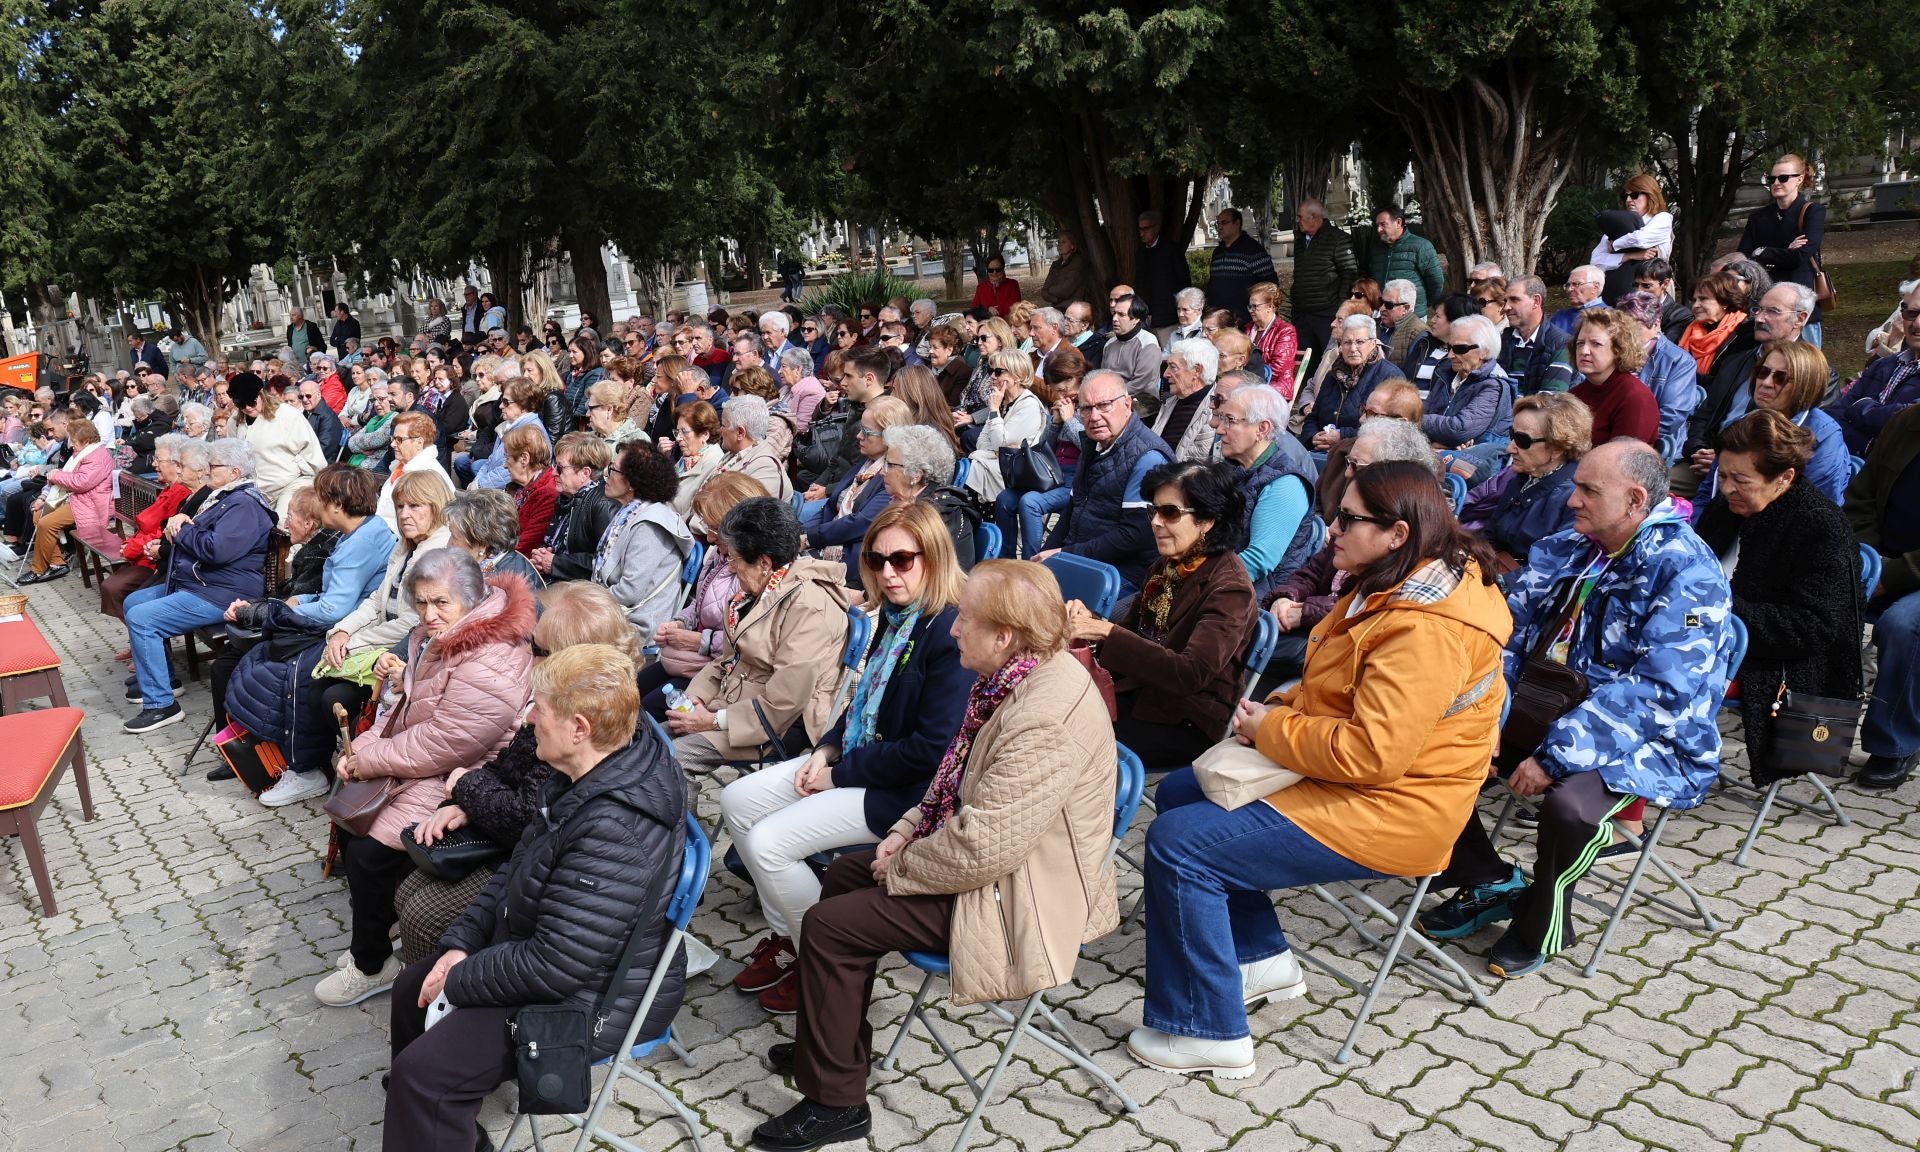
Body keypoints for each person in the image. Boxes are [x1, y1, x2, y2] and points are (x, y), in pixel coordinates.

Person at [1128, 460, 1511, 1078]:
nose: (1331, 528)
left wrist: (1270, 729)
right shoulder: (1392, 581)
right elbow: (1338, 690)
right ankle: (1257, 961)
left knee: (1180, 845)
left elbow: (1372, 754)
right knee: (1181, 791)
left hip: (1398, 809)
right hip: (1360, 781)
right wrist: (1278, 708)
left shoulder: (1426, 627)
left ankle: (1207, 1032)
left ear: (1398, 533)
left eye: (1349, 518)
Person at [753, 559, 1118, 1150]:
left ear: (1003, 635)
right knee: (846, 873)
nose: (951, 629)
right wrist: (902, 831)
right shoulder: (1012, 677)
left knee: (829, 925)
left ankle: (835, 1102)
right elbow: (954, 783)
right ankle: (838, 1048)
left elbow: (985, 843)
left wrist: (900, 866)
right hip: (996, 867)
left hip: (1018, 897)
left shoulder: (1044, 714)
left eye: (965, 619)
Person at [1420, 441, 1732, 978]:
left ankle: (1544, 918)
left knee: (1570, 808)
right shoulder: (1575, 544)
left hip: (1644, 737)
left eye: (1588, 490)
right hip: (1543, 704)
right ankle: (1490, 877)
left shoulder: (1686, 571)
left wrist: (1557, 754)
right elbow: (1508, 632)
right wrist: (1487, 716)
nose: (1571, 501)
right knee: (1427, 745)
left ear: (1635, 500)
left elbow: (1660, 690)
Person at [381, 639, 682, 1152]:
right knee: (411, 988)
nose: (526, 719)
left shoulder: (613, 828)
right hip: (546, 958)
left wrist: (460, 977)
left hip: (588, 1001)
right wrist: (460, 944)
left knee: (422, 1076)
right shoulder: (581, 778)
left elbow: (559, 965)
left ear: (578, 728)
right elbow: (514, 871)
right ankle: (438, 1128)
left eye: (538, 710)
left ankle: (429, 1106)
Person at [720, 503, 973, 1015]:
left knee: (769, 843)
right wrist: (826, 748)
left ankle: (821, 957)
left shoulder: (949, 633)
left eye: (903, 559)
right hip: (860, 759)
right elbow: (859, 701)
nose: (888, 573)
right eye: (877, 561)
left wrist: (837, 773)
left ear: (935, 557)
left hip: (907, 795)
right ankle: (791, 937)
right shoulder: (897, 615)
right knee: (737, 799)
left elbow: (931, 752)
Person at [312, 547, 535, 1009]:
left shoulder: (492, 652)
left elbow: (451, 742)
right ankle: (375, 940)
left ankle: (371, 964)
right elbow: (402, 708)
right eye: (422, 603)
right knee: (353, 829)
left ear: (471, 600)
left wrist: (370, 763)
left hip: (465, 776)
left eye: (441, 603)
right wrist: (361, 750)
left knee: (370, 853)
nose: (429, 614)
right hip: (421, 765)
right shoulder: (442, 634)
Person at [391, 582, 640, 966]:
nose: (525, 653)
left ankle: (435, 989)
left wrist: (464, 784)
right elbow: (511, 765)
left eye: (536, 648)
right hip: (524, 838)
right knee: (409, 889)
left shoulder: (583, 729)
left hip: (539, 857)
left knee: (423, 912)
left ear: (571, 658)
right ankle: (424, 974)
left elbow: (525, 816)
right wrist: (465, 803)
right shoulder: (557, 701)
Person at [259, 471, 458, 805]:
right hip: (381, 638)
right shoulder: (406, 544)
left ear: (435, 507)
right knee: (317, 683)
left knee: (330, 694)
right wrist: (343, 631)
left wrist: (354, 641)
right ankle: (319, 770)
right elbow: (377, 600)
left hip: (408, 649)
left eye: (415, 506)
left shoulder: (437, 553)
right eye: (400, 506)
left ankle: (362, 771)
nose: (405, 514)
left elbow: (414, 623)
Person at [1693, 411, 1861, 788]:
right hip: (1708, 633)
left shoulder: (1820, 528)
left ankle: (1631, 788)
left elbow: (1815, 628)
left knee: (1658, 673)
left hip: (1777, 664)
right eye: (1722, 475)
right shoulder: (1728, 508)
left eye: (1741, 479)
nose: (1727, 488)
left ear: (1784, 478)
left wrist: (1719, 610)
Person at [218, 466, 397, 781]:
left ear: (338, 506)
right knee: (255, 658)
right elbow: (330, 598)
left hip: (352, 629)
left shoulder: (361, 542)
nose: (319, 504)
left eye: (323, 499)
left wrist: (281, 613)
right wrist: (298, 602)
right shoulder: (360, 531)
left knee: (274, 669)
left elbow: (334, 609)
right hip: (342, 621)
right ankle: (263, 755)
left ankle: (301, 766)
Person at [1073, 460, 1256, 769]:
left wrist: (1106, 631)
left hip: (1185, 718)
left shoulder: (1230, 588)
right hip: (1142, 692)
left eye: (1170, 512)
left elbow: (1190, 674)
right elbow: (1130, 633)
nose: (1156, 522)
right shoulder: (1167, 565)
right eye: (1153, 511)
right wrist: (1088, 623)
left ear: (1207, 520)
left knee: (1071, 731)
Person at [665, 497, 852, 777]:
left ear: (764, 563)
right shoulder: (758, 593)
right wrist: (696, 700)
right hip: (736, 705)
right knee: (650, 738)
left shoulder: (809, 607)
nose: (730, 567)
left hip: (781, 726)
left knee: (674, 759)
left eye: (734, 559)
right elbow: (727, 661)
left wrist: (713, 721)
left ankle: (673, 820)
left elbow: (784, 702)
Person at [1266, 419, 1442, 686]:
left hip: (1335, 643)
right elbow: (1313, 571)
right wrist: (1286, 597)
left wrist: (1305, 611)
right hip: (1320, 633)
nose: (1347, 473)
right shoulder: (1360, 516)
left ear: (1391, 475)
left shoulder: (1402, 548)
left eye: (1356, 466)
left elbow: (1367, 612)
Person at [121, 439, 277, 733]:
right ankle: (163, 680)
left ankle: (161, 705)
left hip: (224, 594)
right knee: (133, 602)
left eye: (213, 465)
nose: (206, 470)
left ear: (234, 471)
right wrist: (183, 523)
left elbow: (216, 550)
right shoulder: (224, 497)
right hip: (201, 583)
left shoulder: (244, 504)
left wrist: (182, 528)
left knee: (142, 618)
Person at [1035, 370, 1173, 592]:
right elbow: (1070, 512)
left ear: (1127, 404)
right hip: (1084, 560)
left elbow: (1134, 535)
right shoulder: (1092, 444)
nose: (1094, 416)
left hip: (1121, 576)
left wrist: (1064, 554)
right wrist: (1040, 561)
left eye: (1104, 405)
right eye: (1086, 408)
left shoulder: (1148, 458)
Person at [1846, 402, 1920, 788]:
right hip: (1878, 563)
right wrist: (1868, 559)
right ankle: (1809, 730)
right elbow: (1861, 497)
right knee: (1812, 601)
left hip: (1908, 577)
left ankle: (1896, 742)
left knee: (1902, 626)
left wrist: (1890, 576)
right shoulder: (1906, 422)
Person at [1696, 339, 1850, 508]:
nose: (1766, 383)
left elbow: (1818, 509)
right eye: (1763, 372)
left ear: (1805, 384)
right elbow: (1707, 494)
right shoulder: (1740, 424)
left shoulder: (1824, 436)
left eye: (1780, 378)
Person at [1460, 392, 1591, 574]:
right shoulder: (1523, 475)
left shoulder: (1575, 500)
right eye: (1511, 434)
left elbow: (1549, 573)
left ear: (1557, 449)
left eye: (1522, 440)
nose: (1510, 447)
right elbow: (1491, 536)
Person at [1215, 386, 1322, 599]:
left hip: (1252, 597)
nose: (1219, 429)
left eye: (1230, 420)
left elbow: (1257, 562)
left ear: (1262, 429)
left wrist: (1196, 580)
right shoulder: (1235, 467)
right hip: (1222, 582)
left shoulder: (1285, 484)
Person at [594, 441, 694, 640]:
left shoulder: (649, 526)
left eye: (613, 469)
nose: (606, 474)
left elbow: (630, 592)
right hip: (616, 611)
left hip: (636, 625)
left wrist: (588, 599)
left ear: (631, 483)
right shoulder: (630, 512)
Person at [99, 435, 197, 622]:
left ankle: (145, 638)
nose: (153, 465)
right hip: (142, 555)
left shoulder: (181, 493)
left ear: (177, 464)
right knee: (112, 588)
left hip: (154, 560)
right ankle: (140, 639)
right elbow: (148, 527)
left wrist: (132, 547)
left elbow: (165, 532)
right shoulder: (169, 489)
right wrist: (130, 543)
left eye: (158, 460)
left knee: (114, 588)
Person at [1738, 153, 1827, 346]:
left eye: (1783, 178)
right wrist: (1784, 252)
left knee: (1805, 367)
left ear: (1799, 179)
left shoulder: (1813, 212)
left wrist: (1762, 251)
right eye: (1772, 179)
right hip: (1765, 300)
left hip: (1800, 301)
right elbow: (1744, 259)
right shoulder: (1758, 217)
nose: (1776, 182)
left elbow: (1800, 257)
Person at [17, 415, 115, 586]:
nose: (71, 443)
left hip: (90, 504)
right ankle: (57, 563)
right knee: (38, 513)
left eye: (74, 440)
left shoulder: (97, 455)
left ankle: (37, 570)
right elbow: (61, 478)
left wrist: (56, 475)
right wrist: (43, 497)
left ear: (86, 440)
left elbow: (81, 483)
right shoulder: (81, 452)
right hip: (76, 498)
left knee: (46, 523)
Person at [1828, 283, 1920, 457]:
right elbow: (1834, 416)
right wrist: (1869, 445)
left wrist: (1860, 407)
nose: (1917, 323)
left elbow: (1905, 421)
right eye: (1911, 313)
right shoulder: (1884, 365)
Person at [1299, 315, 1407, 453]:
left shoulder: (1390, 377)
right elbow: (1313, 417)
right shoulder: (1333, 374)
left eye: (1360, 342)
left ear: (1373, 343)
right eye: (1347, 342)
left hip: (1363, 456)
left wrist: (1342, 436)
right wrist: (1313, 437)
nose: (1353, 348)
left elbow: (1390, 429)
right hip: (1321, 451)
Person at [229, 371, 328, 518]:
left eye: (251, 402)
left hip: (291, 483)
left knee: (282, 523)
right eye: (241, 404)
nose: (248, 408)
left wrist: (318, 484)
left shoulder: (287, 415)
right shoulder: (235, 422)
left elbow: (312, 453)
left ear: (261, 395)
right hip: (255, 490)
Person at [1617, 291, 1699, 464]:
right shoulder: (1611, 352)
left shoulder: (1679, 361)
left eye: (1635, 326)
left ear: (1656, 324)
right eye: (1622, 326)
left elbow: (1672, 415)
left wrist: (1627, 437)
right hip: (1612, 435)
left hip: (1655, 445)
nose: (1626, 334)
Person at [1421, 314, 1513, 453]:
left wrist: (1414, 420)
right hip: (1435, 453)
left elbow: (1458, 429)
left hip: (1473, 466)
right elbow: (1424, 412)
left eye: (1459, 349)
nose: (1450, 355)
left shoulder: (1494, 385)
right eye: (1449, 347)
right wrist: (1435, 442)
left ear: (1483, 352)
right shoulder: (1446, 374)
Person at [530, 432, 616, 582]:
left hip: (578, 592)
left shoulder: (603, 505)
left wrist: (556, 563)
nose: (553, 473)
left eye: (560, 468)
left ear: (585, 473)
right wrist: (542, 556)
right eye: (554, 465)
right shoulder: (566, 497)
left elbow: (606, 563)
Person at [1568, 308, 1660, 447]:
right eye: (1580, 343)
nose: (1584, 351)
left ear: (1619, 350)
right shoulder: (1574, 395)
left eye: (1596, 344)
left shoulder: (1635, 398)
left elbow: (1625, 461)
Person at [1290, 198, 1360, 363]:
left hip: (1326, 314)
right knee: (1305, 363)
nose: (1297, 221)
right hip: (1302, 314)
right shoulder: (1300, 241)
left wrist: (1340, 307)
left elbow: (1349, 274)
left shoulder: (1337, 239)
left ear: (1313, 217)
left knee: (1330, 359)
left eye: (1300, 217)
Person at [1591, 174, 1674, 301]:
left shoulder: (1662, 219)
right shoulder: (1617, 226)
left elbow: (1640, 239)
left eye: (1634, 195)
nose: (1628, 200)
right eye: (1625, 196)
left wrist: (1614, 245)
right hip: (1616, 299)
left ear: (1650, 195)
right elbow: (1596, 261)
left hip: (1653, 295)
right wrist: (1629, 256)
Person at [446, 488, 545, 590]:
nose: (448, 544)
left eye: (454, 536)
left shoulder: (498, 589)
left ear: (482, 545)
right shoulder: (496, 561)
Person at [373, 411, 451, 531]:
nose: (393, 444)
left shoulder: (428, 475)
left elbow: (420, 528)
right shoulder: (403, 465)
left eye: (399, 439)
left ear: (419, 442)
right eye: (393, 438)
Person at [1498, 276, 1574, 398]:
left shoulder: (1561, 344)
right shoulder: (1502, 340)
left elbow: (1551, 400)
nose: (1506, 307)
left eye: (1514, 300)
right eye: (1506, 301)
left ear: (1536, 301)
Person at [1152, 338, 1222, 463]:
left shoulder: (1215, 412)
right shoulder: (1172, 401)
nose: (1165, 374)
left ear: (1196, 371)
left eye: (1173, 367)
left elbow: (1198, 466)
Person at [471, 376, 548, 490]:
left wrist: (479, 485)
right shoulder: (510, 425)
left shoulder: (531, 433)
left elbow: (509, 471)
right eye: (502, 400)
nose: (500, 406)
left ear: (524, 405)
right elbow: (491, 460)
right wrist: (477, 482)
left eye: (506, 402)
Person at [1367, 205, 1444, 315]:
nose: (1379, 229)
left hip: (1411, 315)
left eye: (1383, 224)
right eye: (1377, 225)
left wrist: (1423, 304)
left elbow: (1436, 281)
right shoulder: (1376, 249)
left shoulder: (1421, 246)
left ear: (1398, 222)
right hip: (1383, 314)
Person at [712, 394, 793, 500]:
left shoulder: (766, 469)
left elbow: (741, 513)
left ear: (740, 432)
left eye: (723, 425)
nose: (720, 430)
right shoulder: (733, 454)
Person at [1207, 208, 1277, 324]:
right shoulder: (1217, 253)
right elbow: (1213, 285)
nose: (1219, 227)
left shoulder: (1253, 251)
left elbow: (1270, 286)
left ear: (1237, 223)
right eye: (1218, 223)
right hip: (1218, 321)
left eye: (1224, 222)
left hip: (1245, 323)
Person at [1676, 270, 1753, 376]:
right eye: (1694, 300)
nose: (1695, 305)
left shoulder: (1742, 333)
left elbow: (1724, 381)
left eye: (1703, 299)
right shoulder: (1686, 328)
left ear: (1725, 302)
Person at [1134, 210, 1193, 343]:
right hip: (1146, 318)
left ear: (1156, 228)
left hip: (1168, 317)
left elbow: (1183, 283)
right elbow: (1140, 283)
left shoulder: (1171, 250)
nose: (1142, 233)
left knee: (1169, 356)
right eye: (1140, 229)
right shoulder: (1140, 253)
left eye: (1146, 228)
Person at [1246, 282, 1300, 399]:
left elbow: (1278, 369)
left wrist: (1247, 377)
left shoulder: (1285, 331)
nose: (1251, 310)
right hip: (1249, 384)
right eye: (1249, 306)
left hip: (1275, 388)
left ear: (1270, 307)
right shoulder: (1248, 328)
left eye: (1255, 306)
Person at [1376, 279, 1426, 368]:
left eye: (1389, 305)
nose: (1382, 308)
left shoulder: (1418, 333)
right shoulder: (1372, 324)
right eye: (1381, 302)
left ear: (1405, 308)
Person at [1549, 266, 1608, 336]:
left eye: (1576, 284)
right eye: (1568, 285)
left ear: (1595, 288)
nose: (1569, 289)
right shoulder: (1560, 316)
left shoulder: (1610, 317)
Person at [969, 251, 1021, 317]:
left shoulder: (1012, 284)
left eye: (998, 269)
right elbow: (974, 308)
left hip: (1007, 324)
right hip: (987, 325)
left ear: (1003, 269)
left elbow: (1014, 306)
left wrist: (996, 310)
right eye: (991, 270)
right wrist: (988, 309)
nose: (994, 273)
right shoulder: (981, 287)